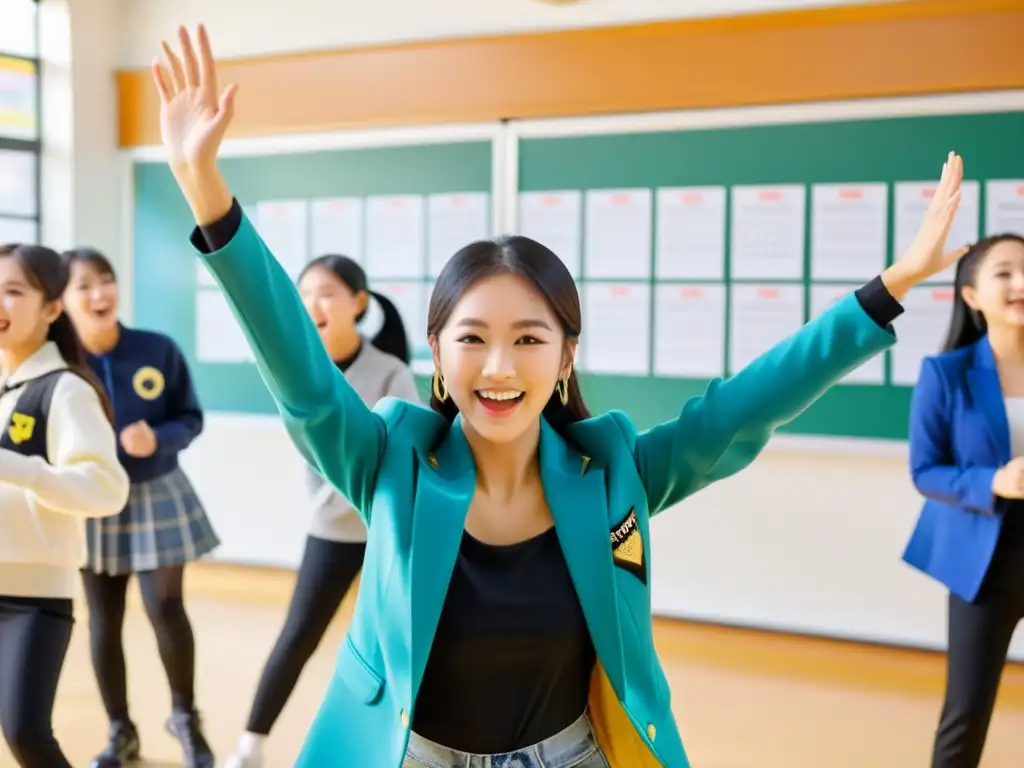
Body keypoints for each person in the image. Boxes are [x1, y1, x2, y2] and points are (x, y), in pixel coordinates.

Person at [154, 25, 970, 768]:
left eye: (529, 338)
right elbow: (300, 374)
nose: (499, 365)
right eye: (471, 337)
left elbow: (743, 407)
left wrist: (887, 291)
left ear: (566, 355)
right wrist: (204, 189)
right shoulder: (390, 463)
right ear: (435, 354)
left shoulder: (612, 470)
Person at [226, 254, 421, 768]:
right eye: (306, 292)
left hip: (390, 532)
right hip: (331, 530)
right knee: (298, 634)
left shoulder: (391, 372)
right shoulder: (302, 371)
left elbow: (406, 455)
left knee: (406, 640)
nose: (315, 303)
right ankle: (251, 743)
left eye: (328, 292)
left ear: (358, 303)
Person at [61, 246, 220, 768]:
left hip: (156, 494)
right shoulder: (58, 363)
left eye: (105, 279)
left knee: (166, 610)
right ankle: (120, 731)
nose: (98, 292)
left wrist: (159, 437)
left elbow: (190, 418)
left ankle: (186, 720)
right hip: (90, 501)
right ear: (60, 301)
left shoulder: (158, 349)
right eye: (83, 285)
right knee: (103, 619)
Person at [0, 244, 130, 768]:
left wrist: (15, 466)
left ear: (53, 308)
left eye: (13, 291)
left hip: (33, 597)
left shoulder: (66, 391)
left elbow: (106, 489)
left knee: (26, 734)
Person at [904, 232, 1024, 768]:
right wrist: (992, 482)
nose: (1021, 283)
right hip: (985, 562)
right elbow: (926, 472)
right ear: (972, 295)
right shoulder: (945, 374)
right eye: (1004, 273)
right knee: (967, 712)